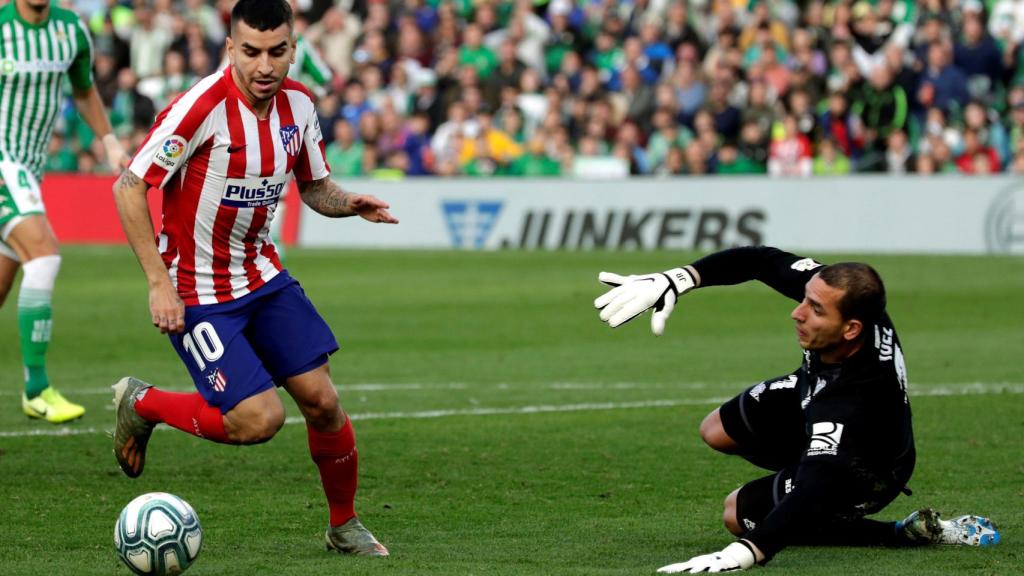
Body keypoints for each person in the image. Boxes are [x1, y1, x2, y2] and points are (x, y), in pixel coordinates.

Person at [110, 0, 394, 557]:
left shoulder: (301, 106)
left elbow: (313, 187)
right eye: (251, 52)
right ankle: (143, 404)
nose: (264, 66)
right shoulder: (199, 107)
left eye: (277, 52)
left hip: (263, 276)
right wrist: (157, 282)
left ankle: (344, 525)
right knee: (258, 420)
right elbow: (129, 187)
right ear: (230, 48)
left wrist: (348, 203)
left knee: (323, 402)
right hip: (197, 289)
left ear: (293, 49)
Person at [593, 247, 1000, 573]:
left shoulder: (853, 397)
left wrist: (749, 552)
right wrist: (678, 279)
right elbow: (760, 261)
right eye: (806, 298)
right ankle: (803, 468)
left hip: (866, 470)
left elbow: (816, 485)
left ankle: (901, 532)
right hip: (808, 389)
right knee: (715, 430)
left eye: (815, 310)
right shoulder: (848, 295)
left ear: (851, 329)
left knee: (738, 513)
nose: (797, 311)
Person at [0, 0, 128, 423]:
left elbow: (84, 90)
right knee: (45, 254)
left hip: (29, 172)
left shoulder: (71, 31)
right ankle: (36, 389)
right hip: (4, 165)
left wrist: (108, 140)